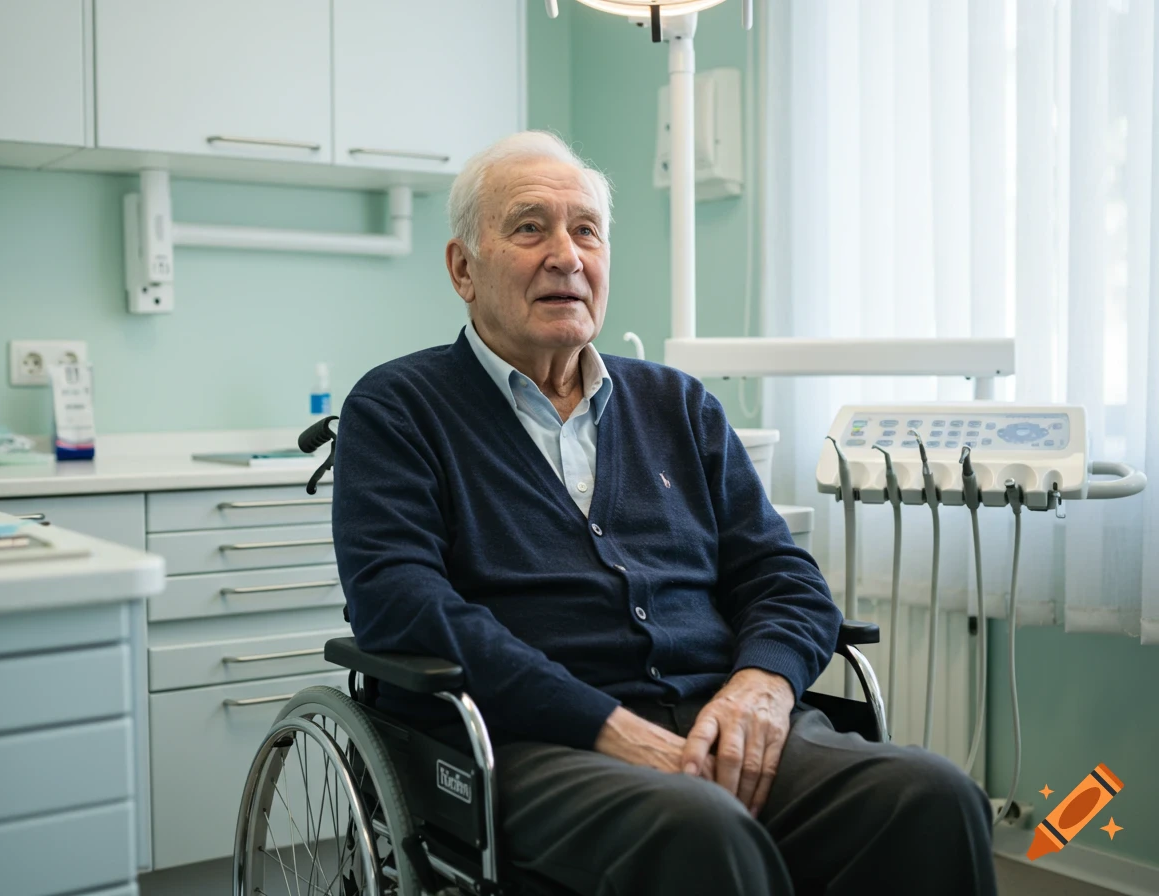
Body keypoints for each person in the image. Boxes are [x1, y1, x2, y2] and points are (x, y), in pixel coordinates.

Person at [332, 131, 997, 896]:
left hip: (720, 720)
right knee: (700, 831)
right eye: (528, 227)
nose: (566, 254)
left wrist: (761, 687)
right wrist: (606, 726)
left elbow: (782, 576)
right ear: (463, 269)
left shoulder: (676, 405)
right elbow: (400, 605)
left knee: (932, 797)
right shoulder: (399, 409)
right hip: (530, 744)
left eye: (586, 230)